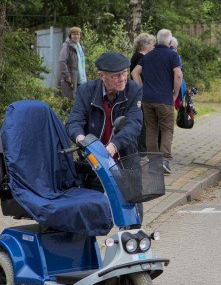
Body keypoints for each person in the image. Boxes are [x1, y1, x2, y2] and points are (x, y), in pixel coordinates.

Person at [66, 51, 144, 217]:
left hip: (125, 158)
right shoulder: (86, 90)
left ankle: (132, 232)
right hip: (94, 160)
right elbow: (74, 121)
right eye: (116, 75)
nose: (122, 78)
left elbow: (134, 124)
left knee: (133, 212)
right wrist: (82, 140)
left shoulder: (134, 90)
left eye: (124, 73)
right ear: (102, 76)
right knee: (89, 211)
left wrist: (113, 146)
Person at [132, 29, 183, 175]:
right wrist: (175, 93)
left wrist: (142, 89)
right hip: (164, 99)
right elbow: (178, 75)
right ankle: (165, 160)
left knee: (151, 130)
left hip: (147, 99)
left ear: (157, 39)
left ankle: (154, 164)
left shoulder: (148, 55)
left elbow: (135, 72)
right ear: (169, 40)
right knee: (167, 129)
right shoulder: (172, 55)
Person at [129, 33, 156, 152]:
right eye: (152, 44)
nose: (154, 46)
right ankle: (141, 150)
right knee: (143, 121)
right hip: (139, 93)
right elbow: (135, 74)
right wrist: (141, 90)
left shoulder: (138, 55)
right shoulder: (140, 57)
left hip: (137, 92)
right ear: (145, 45)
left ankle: (141, 149)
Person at [56, 26, 87, 100]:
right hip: (70, 78)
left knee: (79, 99)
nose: (76, 36)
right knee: (69, 100)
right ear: (70, 35)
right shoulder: (67, 46)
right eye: (74, 34)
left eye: (78, 34)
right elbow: (62, 61)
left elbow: (81, 63)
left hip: (79, 78)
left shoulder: (80, 46)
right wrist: (67, 75)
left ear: (80, 36)